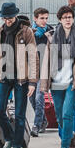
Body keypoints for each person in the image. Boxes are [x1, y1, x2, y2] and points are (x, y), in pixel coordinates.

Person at [0, 2, 38, 148]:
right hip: (4, 76)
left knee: (19, 113)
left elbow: (33, 57)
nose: (8, 20)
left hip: (21, 78)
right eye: (5, 17)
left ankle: (17, 145)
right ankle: (9, 139)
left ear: (15, 15)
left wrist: (32, 82)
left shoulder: (26, 32)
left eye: (10, 17)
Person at [39, 6, 75, 148]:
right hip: (57, 82)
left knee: (67, 114)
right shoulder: (52, 37)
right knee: (59, 116)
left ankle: (64, 147)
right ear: (59, 19)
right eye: (64, 17)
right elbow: (46, 61)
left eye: (70, 17)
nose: (67, 20)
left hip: (73, 82)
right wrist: (44, 81)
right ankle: (70, 135)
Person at [29, 7, 53, 137]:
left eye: (46, 18)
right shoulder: (30, 32)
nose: (44, 21)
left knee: (39, 97)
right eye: (42, 18)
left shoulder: (50, 31)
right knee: (31, 98)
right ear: (35, 18)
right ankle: (43, 121)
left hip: (44, 69)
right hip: (32, 69)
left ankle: (36, 125)